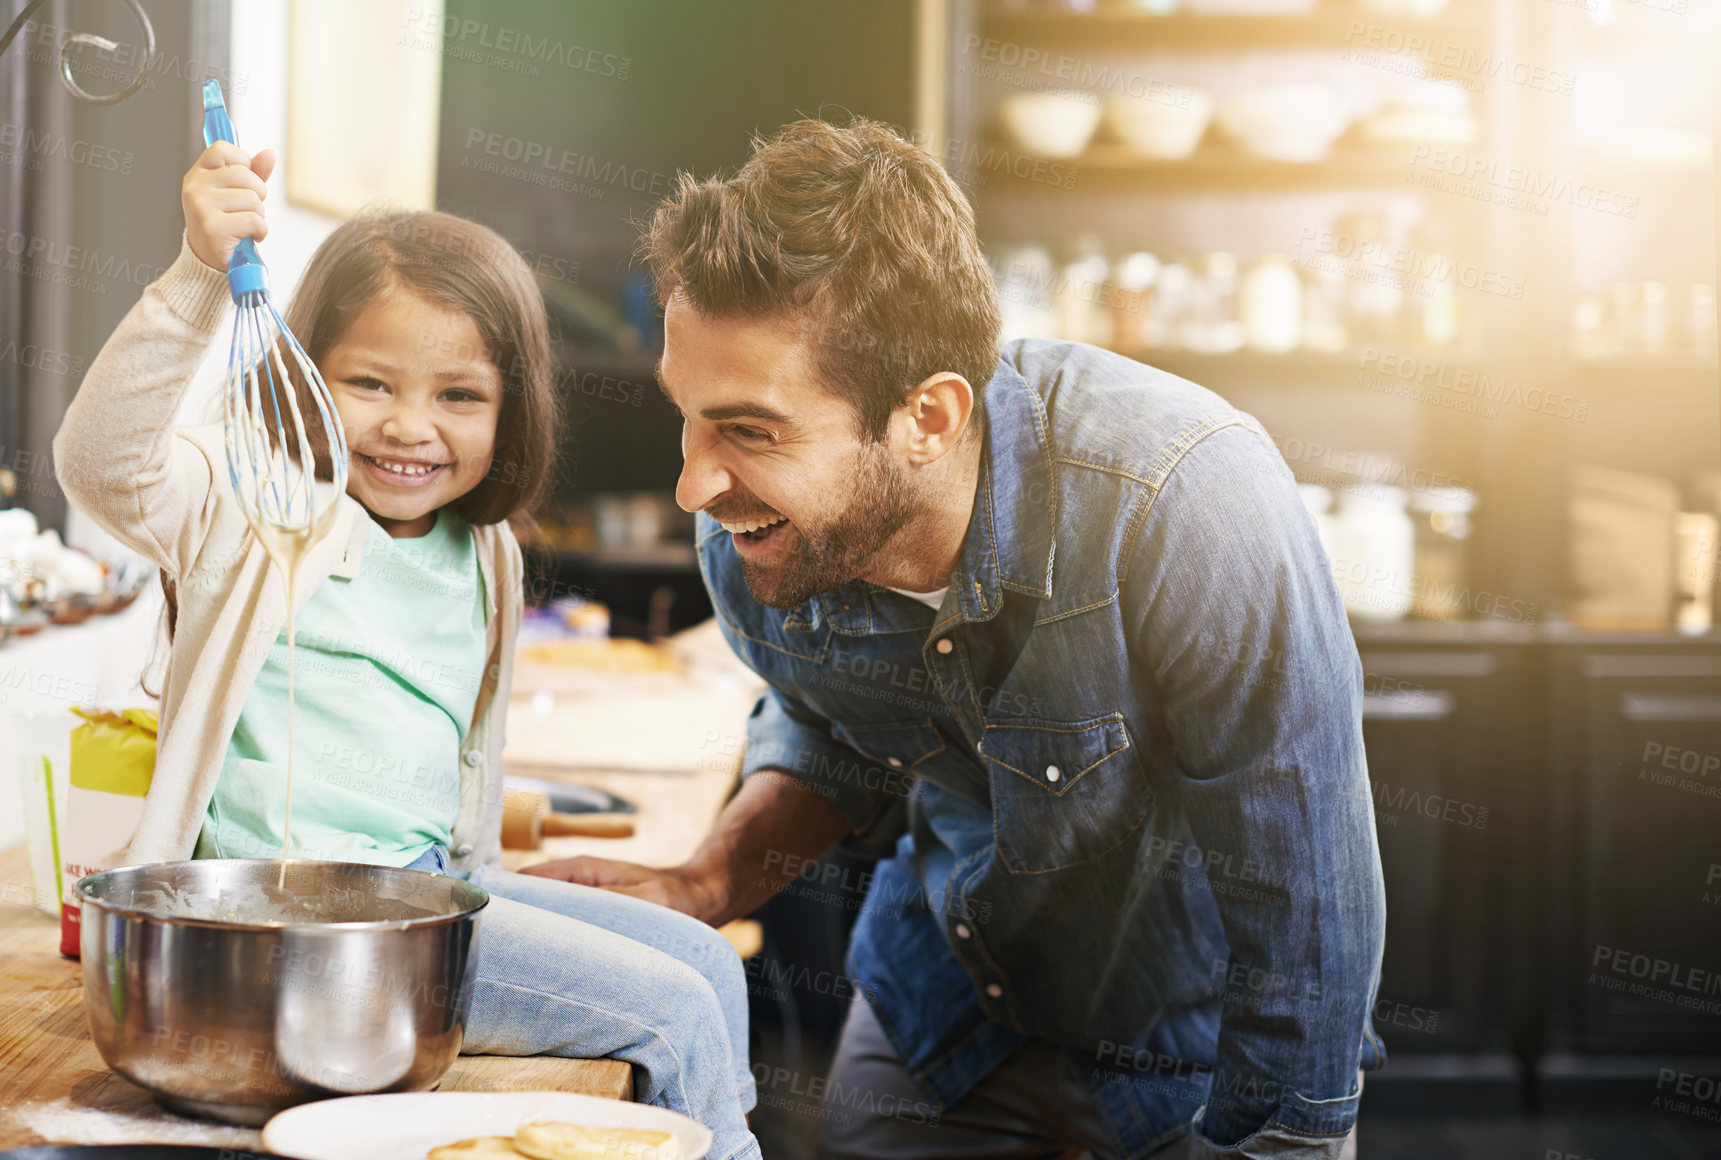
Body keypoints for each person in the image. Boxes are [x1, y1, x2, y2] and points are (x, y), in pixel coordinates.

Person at [526, 117, 1386, 1159]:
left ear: (927, 418)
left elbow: (1301, 899)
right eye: (688, 415)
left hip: (1194, 1046)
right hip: (941, 1008)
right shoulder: (754, 540)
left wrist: (1282, 1138)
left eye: (748, 428)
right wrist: (705, 880)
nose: (693, 486)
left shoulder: (1186, 501)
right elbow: (825, 716)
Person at [53, 138, 760, 1160]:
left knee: (710, 964)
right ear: (303, 372)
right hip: (294, 929)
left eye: (458, 395)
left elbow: (463, 766)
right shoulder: (254, 514)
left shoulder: (484, 555)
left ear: (510, 405)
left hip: (424, 897)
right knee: (672, 1013)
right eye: (369, 383)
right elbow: (101, 458)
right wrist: (198, 274)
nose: (410, 428)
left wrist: (485, 878)